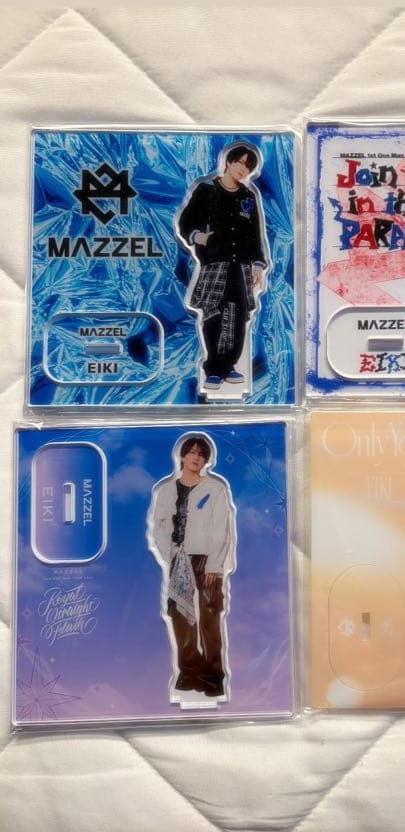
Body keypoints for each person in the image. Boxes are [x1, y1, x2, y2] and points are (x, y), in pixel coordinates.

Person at [148, 434, 235, 699]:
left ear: (206, 460)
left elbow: (222, 528)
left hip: (207, 559)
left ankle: (213, 677)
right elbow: (159, 526)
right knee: (180, 615)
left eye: (202, 454)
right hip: (179, 559)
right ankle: (189, 672)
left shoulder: (215, 489)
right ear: (183, 455)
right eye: (193, 452)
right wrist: (170, 555)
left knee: (209, 614)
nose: (197, 458)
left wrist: (214, 564)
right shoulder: (166, 490)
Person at [176, 143, 269, 392]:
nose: (243, 169)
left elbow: (254, 235)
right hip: (215, 263)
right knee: (213, 314)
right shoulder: (206, 190)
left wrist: (257, 265)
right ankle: (214, 369)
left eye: (249, 166)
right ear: (229, 162)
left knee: (238, 316)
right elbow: (185, 222)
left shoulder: (248, 197)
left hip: (241, 266)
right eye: (240, 162)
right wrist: (198, 237)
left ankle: (229, 365)